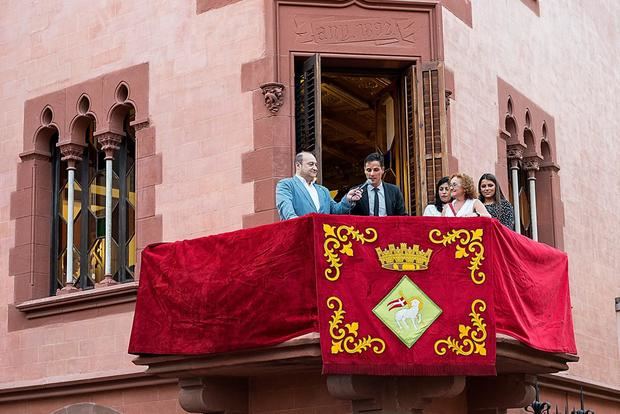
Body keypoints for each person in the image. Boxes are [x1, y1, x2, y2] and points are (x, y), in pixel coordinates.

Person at [276, 152, 362, 220]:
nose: (315, 168)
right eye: (311, 164)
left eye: (315, 165)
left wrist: (348, 199)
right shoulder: (286, 184)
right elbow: (286, 209)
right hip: (299, 236)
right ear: (298, 165)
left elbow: (335, 211)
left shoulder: (323, 190)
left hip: (323, 237)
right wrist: (297, 224)